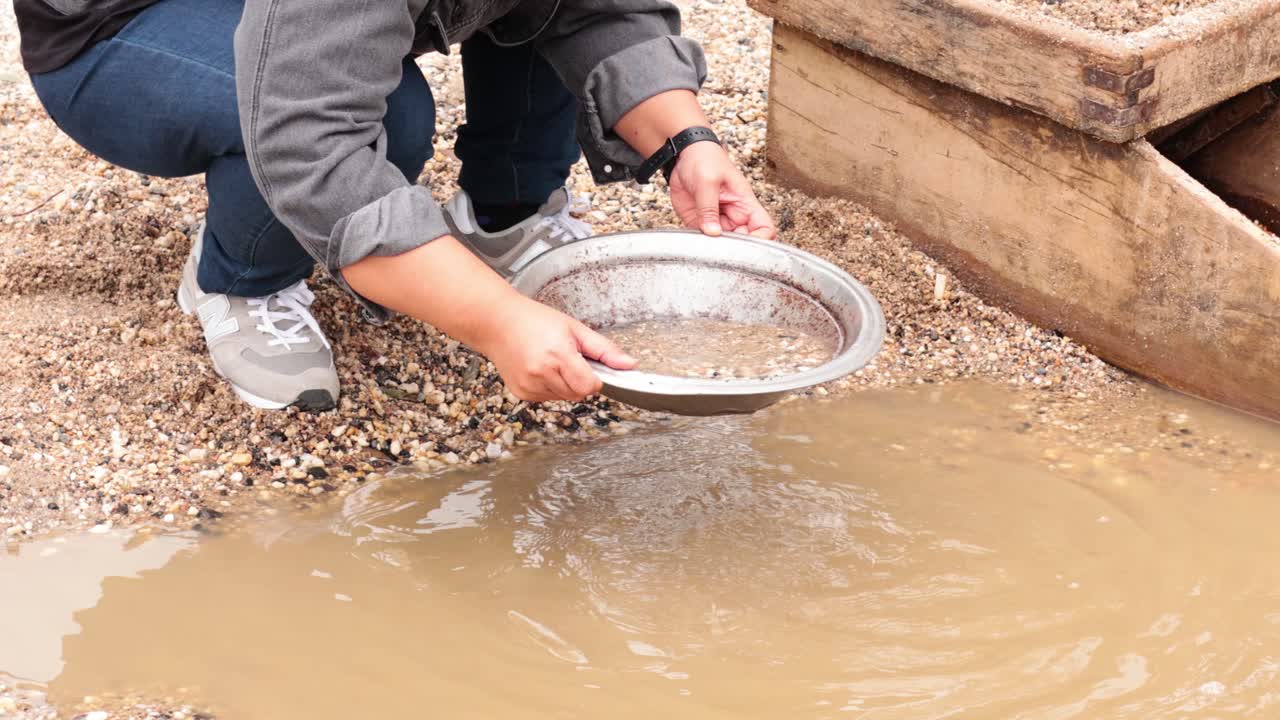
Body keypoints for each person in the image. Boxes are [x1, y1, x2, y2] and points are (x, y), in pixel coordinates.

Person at [14, 0, 777, 412]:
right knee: (391, 121)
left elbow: (598, 10)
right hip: (118, 23)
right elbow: (311, 143)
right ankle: (240, 281)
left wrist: (687, 142)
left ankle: (506, 217)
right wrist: (496, 323)